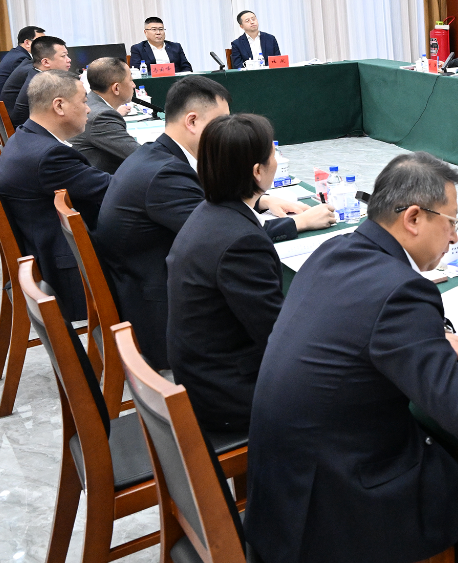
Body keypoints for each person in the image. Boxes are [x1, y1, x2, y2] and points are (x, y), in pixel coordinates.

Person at [246, 152, 458, 563]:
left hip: (284, 489)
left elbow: (356, 325)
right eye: (451, 222)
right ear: (413, 218)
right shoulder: (403, 291)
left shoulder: (334, 249)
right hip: (341, 504)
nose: (454, 238)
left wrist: (429, 337)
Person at [94, 76, 333, 368]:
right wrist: (300, 222)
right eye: (221, 122)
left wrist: (258, 198)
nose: (228, 130)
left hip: (155, 291)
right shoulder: (165, 175)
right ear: (192, 121)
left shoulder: (158, 155)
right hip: (162, 318)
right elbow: (226, 235)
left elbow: (207, 202)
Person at [167, 114, 293, 434]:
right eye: (274, 154)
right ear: (257, 171)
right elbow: (277, 336)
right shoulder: (242, 242)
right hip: (229, 394)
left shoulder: (209, 211)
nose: (277, 161)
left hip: (203, 371)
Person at [0, 71, 112, 321]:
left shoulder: (24, 137)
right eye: (84, 101)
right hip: (69, 275)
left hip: (44, 252)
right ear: (59, 106)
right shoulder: (48, 157)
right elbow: (112, 189)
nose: (89, 109)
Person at [70, 57, 139, 173]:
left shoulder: (91, 102)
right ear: (116, 88)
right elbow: (139, 155)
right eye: (131, 80)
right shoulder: (102, 116)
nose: (134, 85)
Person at [4, 35, 72, 128]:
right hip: (28, 130)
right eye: (63, 56)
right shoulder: (40, 82)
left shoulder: (34, 70)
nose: (69, 60)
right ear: (45, 62)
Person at [0, 25, 44, 98]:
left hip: (0, 100)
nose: (45, 45)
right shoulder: (20, 58)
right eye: (41, 42)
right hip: (4, 102)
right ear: (27, 43)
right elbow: (29, 84)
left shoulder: (16, 54)